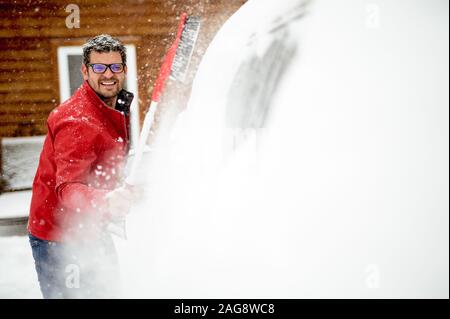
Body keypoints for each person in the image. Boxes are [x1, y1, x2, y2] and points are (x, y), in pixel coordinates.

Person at [28, 34, 137, 298]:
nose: (108, 74)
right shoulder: (77, 120)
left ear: (124, 69)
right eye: (99, 67)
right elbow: (68, 188)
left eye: (115, 66)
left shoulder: (114, 105)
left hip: (91, 225)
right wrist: (107, 200)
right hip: (60, 237)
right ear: (85, 71)